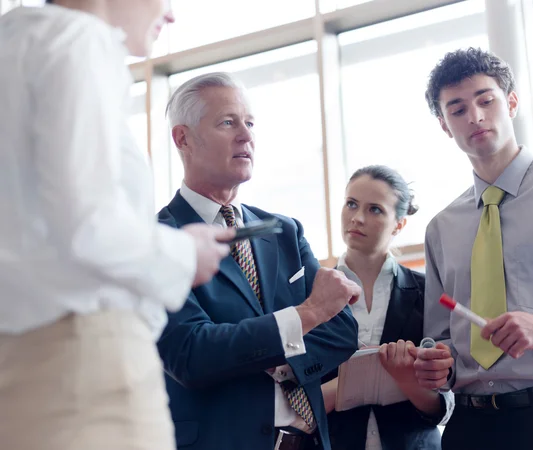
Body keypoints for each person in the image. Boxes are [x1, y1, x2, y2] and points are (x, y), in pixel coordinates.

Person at [0, 1, 235, 449]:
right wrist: (184, 253)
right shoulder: (79, 40)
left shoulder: (11, 39)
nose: (171, 15)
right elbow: (87, 223)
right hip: (86, 358)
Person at [156, 71, 361, 450]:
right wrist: (307, 315)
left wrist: (273, 358)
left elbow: (343, 331)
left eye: (249, 123)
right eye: (228, 122)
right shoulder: (158, 241)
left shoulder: (283, 231)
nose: (246, 135)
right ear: (182, 138)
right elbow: (193, 354)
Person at [414, 47, 533, 450]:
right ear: (445, 125)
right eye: (457, 109)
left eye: (485, 100)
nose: (475, 116)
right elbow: (440, 338)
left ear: (511, 102)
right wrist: (436, 364)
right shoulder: (441, 228)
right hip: (471, 427)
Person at [320, 165, 453, 450]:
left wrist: (407, 379)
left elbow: (442, 405)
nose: (357, 218)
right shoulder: (311, 291)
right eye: (351, 204)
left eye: (375, 209)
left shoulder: (428, 291)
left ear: (399, 224)